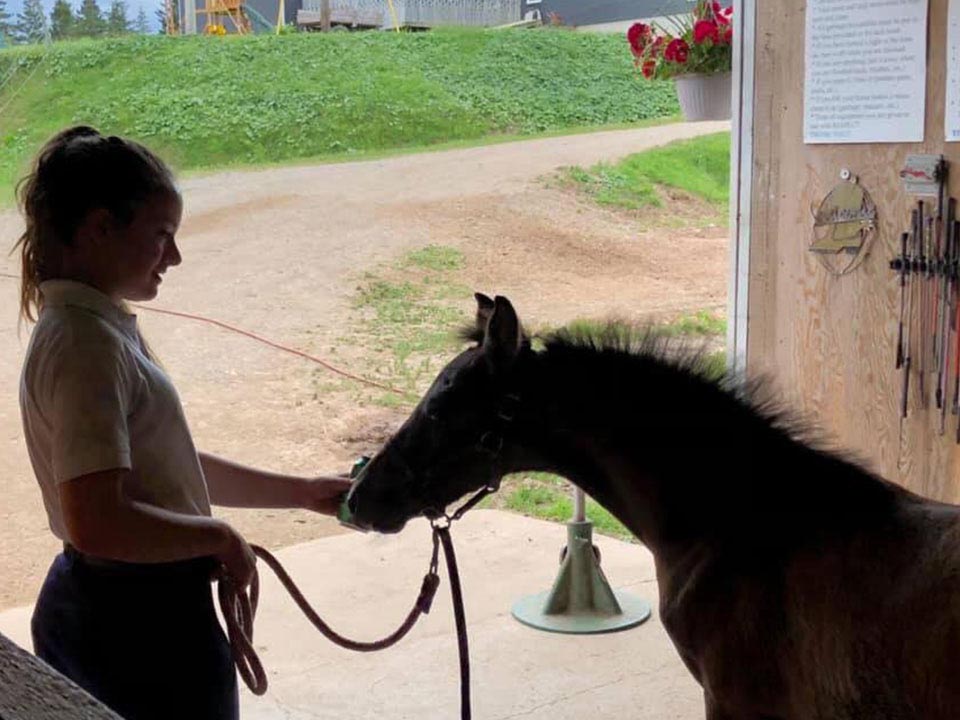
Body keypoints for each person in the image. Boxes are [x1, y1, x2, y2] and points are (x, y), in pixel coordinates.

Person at [13, 126, 352, 719]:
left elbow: (165, 470)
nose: (174, 256)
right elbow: (96, 521)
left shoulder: (94, 327)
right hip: (140, 629)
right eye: (160, 236)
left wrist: (301, 493)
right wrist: (217, 537)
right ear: (98, 229)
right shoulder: (86, 346)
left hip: (114, 607)